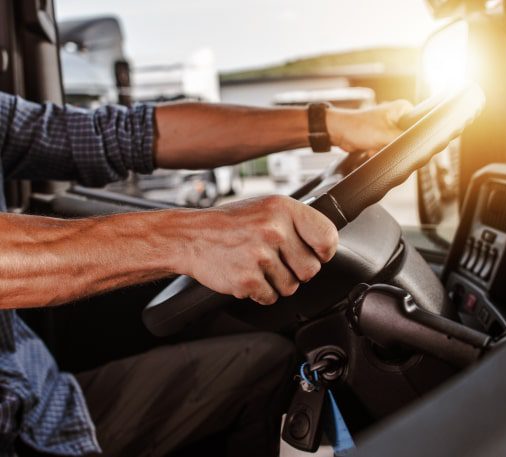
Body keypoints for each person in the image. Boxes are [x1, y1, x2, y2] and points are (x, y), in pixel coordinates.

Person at [0, 91, 411, 457]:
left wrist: (332, 125)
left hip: (43, 398)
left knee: (265, 365)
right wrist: (190, 237)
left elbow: (117, 134)